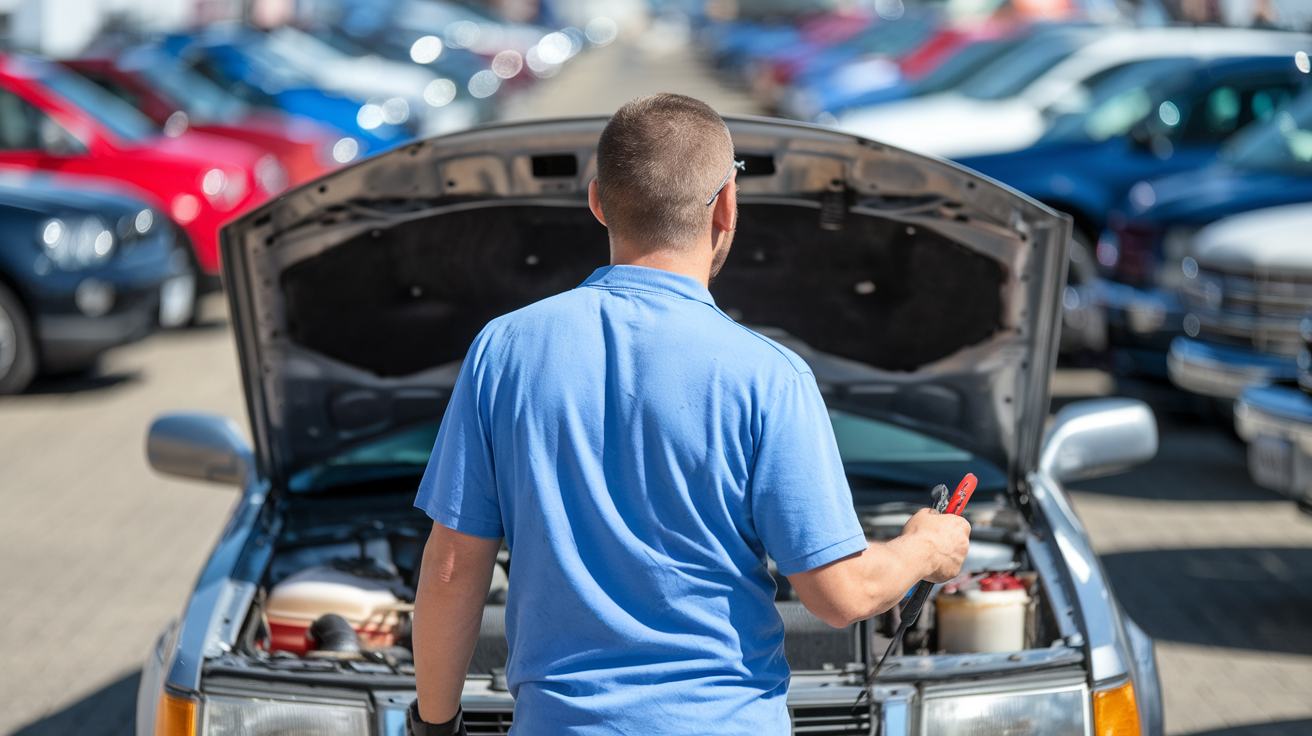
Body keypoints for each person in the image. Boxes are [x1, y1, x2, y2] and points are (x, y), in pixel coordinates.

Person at [409, 93, 971, 736]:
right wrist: (923, 547)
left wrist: (435, 725)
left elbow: (453, 565)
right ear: (728, 205)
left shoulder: (503, 350)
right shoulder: (769, 376)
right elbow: (840, 595)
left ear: (596, 201)